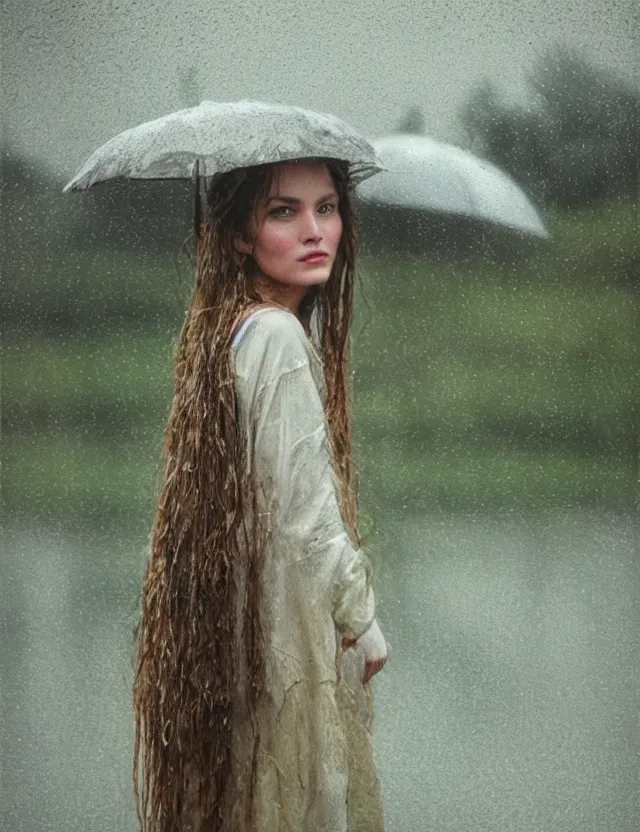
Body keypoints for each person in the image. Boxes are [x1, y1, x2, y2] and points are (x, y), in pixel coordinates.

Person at [133, 157, 387, 832]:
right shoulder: (275, 336)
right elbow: (305, 519)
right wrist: (361, 620)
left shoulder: (228, 329)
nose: (315, 230)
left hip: (234, 645)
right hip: (277, 638)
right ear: (240, 234)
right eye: (284, 211)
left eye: (327, 208)